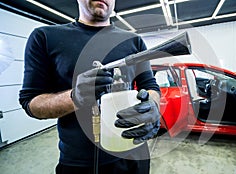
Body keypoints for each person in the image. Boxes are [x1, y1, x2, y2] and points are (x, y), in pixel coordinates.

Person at [18, 0, 161, 174]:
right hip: (79, 163)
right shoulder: (45, 37)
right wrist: (74, 97)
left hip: (134, 154)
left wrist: (152, 105)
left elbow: (151, 86)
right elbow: (31, 102)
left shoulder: (134, 41)